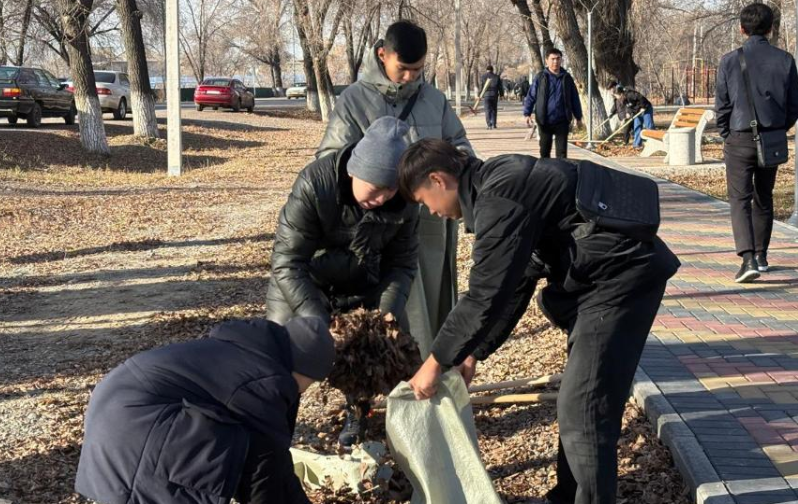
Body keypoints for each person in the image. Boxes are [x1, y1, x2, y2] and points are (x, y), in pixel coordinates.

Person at [397, 139, 680, 504]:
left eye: (424, 202)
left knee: (584, 409)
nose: (432, 213)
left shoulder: (500, 198)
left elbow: (485, 293)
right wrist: (473, 352)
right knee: (578, 400)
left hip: (620, 280)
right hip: (604, 279)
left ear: (438, 179)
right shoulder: (497, 181)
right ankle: (566, 497)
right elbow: (517, 279)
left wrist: (435, 362)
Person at [315, 20, 472, 443]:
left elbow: (460, 145)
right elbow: (331, 161)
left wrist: (453, 164)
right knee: (370, 321)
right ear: (382, 54)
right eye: (404, 68)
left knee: (427, 318)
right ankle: (360, 407)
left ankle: (427, 402)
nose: (410, 78)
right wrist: (376, 171)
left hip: (429, 230)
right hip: (375, 231)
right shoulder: (353, 101)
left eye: (418, 70)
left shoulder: (434, 100)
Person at [267, 116, 419, 446]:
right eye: (375, 188)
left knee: (379, 346)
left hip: (363, 279)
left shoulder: (405, 203)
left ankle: (358, 411)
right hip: (304, 281)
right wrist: (318, 320)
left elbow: (403, 265)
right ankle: (276, 423)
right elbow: (287, 261)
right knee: (280, 350)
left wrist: (384, 317)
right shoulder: (314, 184)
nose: (381, 198)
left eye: (390, 190)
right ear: (354, 169)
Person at [75, 317, 336, 504]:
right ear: (304, 368)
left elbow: (275, 463)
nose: (305, 390)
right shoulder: (266, 380)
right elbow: (263, 468)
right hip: (138, 430)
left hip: (113, 417)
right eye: (310, 382)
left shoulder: (247, 354)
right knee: (230, 444)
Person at [715, 3, 798, 283]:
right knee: (764, 196)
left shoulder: (729, 60)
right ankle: (762, 256)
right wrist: (777, 128)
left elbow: (722, 105)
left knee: (739, 199)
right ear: (771, 28)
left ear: (742, 29)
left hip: (738, 139)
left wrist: (726, 133)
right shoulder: (785, 60)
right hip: (772, 138)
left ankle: (748, 258)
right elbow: (795, 106)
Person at [523, 48, 584, 159]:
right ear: (547, 60)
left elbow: (574, 98)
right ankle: (545, 174)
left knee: (562, 153)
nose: (555, 61)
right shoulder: (540, 77)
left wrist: (578, 117)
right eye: (552, 59)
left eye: (558, 59)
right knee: (544, 151)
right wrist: (527, 114)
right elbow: (531, 96)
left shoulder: (567, 78)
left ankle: (561, 175)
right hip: (545, 120)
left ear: (561, 60)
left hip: (562, 120)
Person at [610, 84, 654, 148]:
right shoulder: (622, 100)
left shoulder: (630, 94)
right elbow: (628, 107)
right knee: (637, 126)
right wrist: (629, 113)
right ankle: (637, 144)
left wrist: (642, 107)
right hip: (637, 111)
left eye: (616, 95)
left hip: (646, 108)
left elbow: (641, 98)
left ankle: (653, 142)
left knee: (649, 125)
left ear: (621, 94)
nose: (616, 97)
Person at [480, 64, 502, 129]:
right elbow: (500, 87)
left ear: (487, 70)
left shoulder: (483, 76)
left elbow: (481, 87)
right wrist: (501, 95)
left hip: (486, 96)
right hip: (494, 95)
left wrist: (479, 95)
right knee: (494, 110)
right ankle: (494, 124)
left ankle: (489, 124)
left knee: (487, 110)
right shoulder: (497, 77)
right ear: (492, 70)